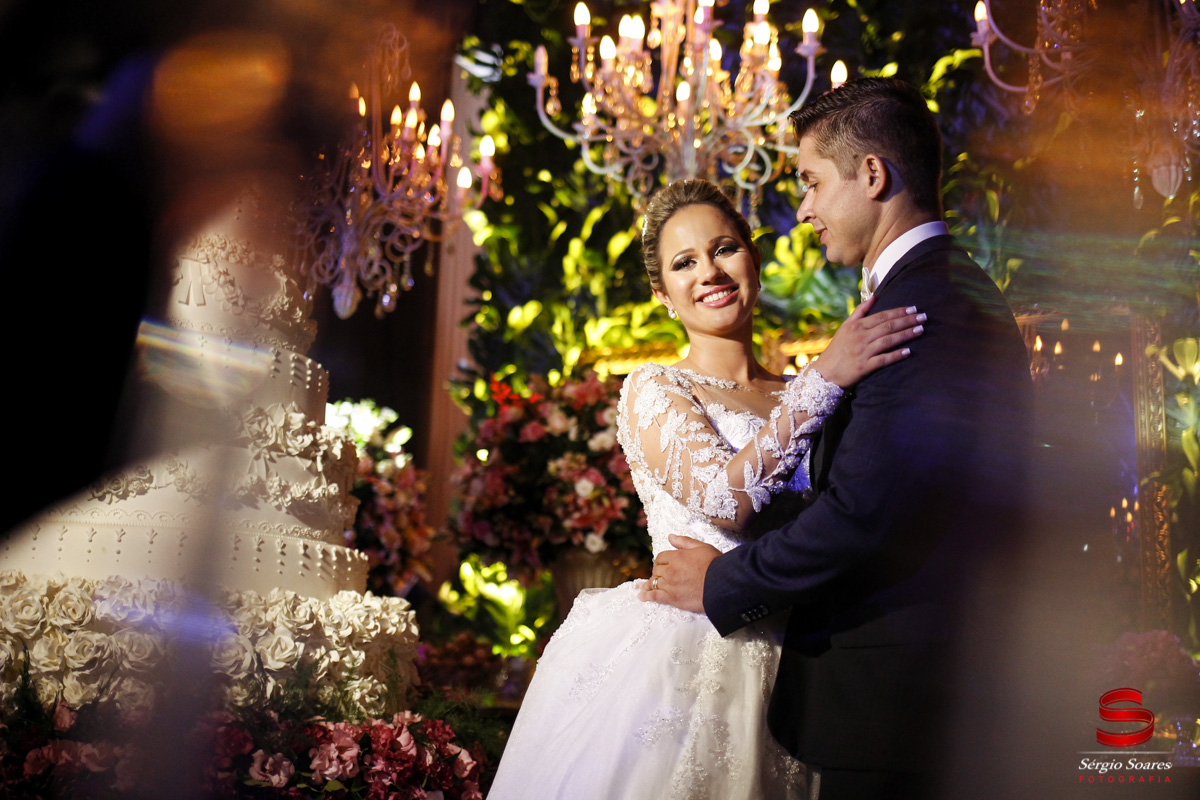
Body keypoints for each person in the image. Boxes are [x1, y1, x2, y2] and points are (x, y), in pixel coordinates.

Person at [642, 78, 1033, 799]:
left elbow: (866, 512)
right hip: (817, 676)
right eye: (683, 263)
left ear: (874, 175)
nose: (805, 209)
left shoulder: (920, 308)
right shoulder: (928, 296)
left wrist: (721, 581)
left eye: (813, 182)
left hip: (896, 694)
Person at [486, 178, 925, 800]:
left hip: (809, 659)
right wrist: (826, 374)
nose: (709, 272)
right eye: (684, 263)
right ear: (663, 294)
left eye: (723, 249)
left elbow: (849, 515)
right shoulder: (657, 388)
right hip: (689, 659)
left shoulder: (811, 390)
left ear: (753, 259)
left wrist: (823, 382)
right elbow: (726, 499)